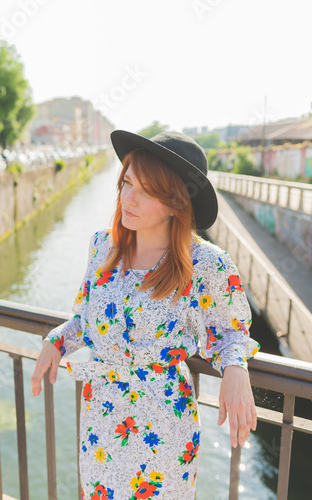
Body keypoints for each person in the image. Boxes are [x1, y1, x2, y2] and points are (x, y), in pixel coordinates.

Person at [31, 129, 261, 499]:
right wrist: (57, 340)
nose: (127, 198)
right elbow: (87, 321)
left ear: (175, 203)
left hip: (162, 429)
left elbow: (230, 331)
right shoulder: (102, 246)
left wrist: (236, 368)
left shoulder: (205, 263)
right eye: (126, 182)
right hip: (101, 420)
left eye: (146, 190)